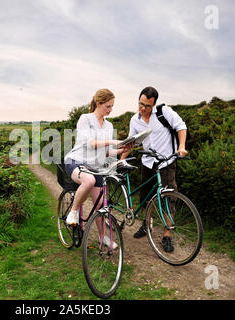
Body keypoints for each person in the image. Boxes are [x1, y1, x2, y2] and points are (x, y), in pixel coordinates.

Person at [121, 86, 188, 252]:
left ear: (154, 104)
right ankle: (146, 226)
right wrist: (120, 160)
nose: (143, 108)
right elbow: (132, 142)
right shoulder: (134, 120)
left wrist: (181, 146)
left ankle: (167, 235)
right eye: (141, 104)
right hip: (148, 163)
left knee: (168, 199)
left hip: (166, 163)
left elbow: (181, 127)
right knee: (147, 197)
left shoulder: (164, 112)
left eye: (147, 106)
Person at [64, 88, 132, 248]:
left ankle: (103, 238)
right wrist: (114, 141)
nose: (110, 110)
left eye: (112, 106)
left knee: (101, 205)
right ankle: (73, 213)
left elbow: (105, 151)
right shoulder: (85, 119)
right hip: (76, 161)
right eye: (108, 106)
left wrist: (122, 149)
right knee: (88, 181)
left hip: (95, 166)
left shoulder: (108, 125)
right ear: (99, 103)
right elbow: (90, 144)